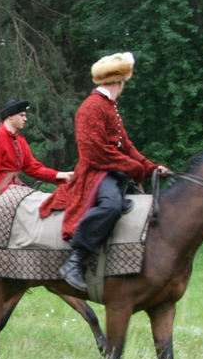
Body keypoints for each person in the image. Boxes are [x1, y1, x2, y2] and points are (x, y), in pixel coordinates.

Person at [42, 52, 170, 293]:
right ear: (120, 81)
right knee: (111, 206)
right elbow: (95, 152)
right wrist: (133, 167)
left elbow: (126, 146)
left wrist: (151, 167)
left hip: (114, 171)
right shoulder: (91, 107)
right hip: (94, 173)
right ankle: (74, 262)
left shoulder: (110, 107)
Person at [0, 99, 73, 213]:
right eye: (21, 115)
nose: (25, 119)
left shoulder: (20, 140)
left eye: (25, 116)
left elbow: (33, 167)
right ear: (10, 116)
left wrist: (59, 175)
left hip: (13, 185)